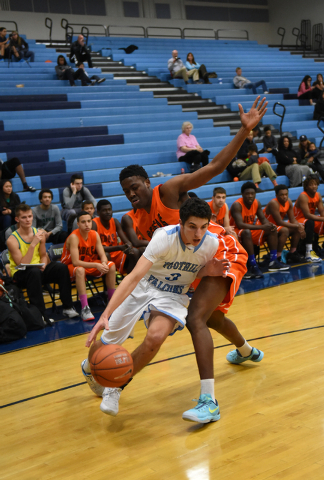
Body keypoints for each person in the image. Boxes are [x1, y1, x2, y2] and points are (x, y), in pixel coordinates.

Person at [83, 96, 267, 423]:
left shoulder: (167, 191)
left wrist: (243, 132)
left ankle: (208, 402)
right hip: (187, 267)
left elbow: (214, 168)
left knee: (196, 318)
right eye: (125, 190)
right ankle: (245, 351)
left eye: (134, 186)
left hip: (217, 249)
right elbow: (141, 270)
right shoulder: (135, 218)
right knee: (209, 320)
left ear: (146, 182)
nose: (131, 193)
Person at [7, 204, 79, 322]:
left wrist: (44, 264)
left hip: (38, 269)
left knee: (61, 267)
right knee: (34, 272)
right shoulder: (12, 240)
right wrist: (33, 244)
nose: (28, 220)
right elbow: (22, 264)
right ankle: (40, 315)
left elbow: (43, 255)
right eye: (24, 217)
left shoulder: (39, 233)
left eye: (30, 216)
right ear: (17, 219)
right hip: (21, 273)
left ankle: (68, 306)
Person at [61, 210, 116, 321]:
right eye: (83, 222)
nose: (87, 224)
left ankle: (112, 302)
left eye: (89, 221)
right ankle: (85, 308)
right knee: (80, 270)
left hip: (88, 263)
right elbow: (75, 262)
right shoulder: (74, 237)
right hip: (70, 267)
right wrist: (96, 265)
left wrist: (104, 263)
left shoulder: (94, 234)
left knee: (111, 266)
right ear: (78, 224)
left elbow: (102, 254)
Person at [229, 182, 289, 278]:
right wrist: (262, 227)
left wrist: (269, 225)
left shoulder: (257, 202)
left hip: (249, 230)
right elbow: (240, 225)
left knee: (272, 230)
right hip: (235, 231)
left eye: (252, 194)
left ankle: (273, 261)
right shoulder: (237, 205)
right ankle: (252, 264)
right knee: (247, 232)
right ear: (242, 195)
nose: (250, 196)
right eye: (247, 194)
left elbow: (263, 219)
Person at [293, 175, 324, 262]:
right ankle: (309, 252)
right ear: (306, 186)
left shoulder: (318, 195)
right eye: (311, 184)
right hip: (299, 219)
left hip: (310, 218)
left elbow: (322, 211)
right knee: (310, 222)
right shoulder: (303, 196)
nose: (314, 186)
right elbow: (307, 215)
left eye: (315, 184)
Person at [259, 185, 306, 263]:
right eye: (282, 195)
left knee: (297, 228)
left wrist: (300, 226)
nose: (284, 197)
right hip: (266, 226)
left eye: (286, 194)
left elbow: (292, 219)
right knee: (285, 230)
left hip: (276, 226)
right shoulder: (274, 203)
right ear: (276, 195)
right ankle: (278, 256)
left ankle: (292, 253)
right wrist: (297, 225)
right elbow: (279, 222)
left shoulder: (289, 202)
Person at [93, 199, 141, 274]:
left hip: (116, 253)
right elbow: (96, 249)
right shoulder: (94, 224)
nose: (108, 212)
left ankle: (129, 279)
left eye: (109, 209)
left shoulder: (114, 221)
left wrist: (128, 245)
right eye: (104, 210)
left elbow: (126, 240)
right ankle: (108, 282)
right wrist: (119, 247)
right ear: (98, 212)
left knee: (134, 252)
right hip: (101, 255)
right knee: (106, 255)